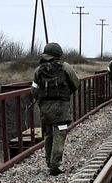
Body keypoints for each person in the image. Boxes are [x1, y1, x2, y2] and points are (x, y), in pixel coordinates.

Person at [31, 42, 79, 175]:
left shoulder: (38, 70)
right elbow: (76, 83)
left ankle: (48, 162)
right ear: (58, 54)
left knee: (48, 135)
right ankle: (55, 164)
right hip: (61, 109)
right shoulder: (65, 67)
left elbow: (34, 90)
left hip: (45, 110)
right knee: (60, 135)